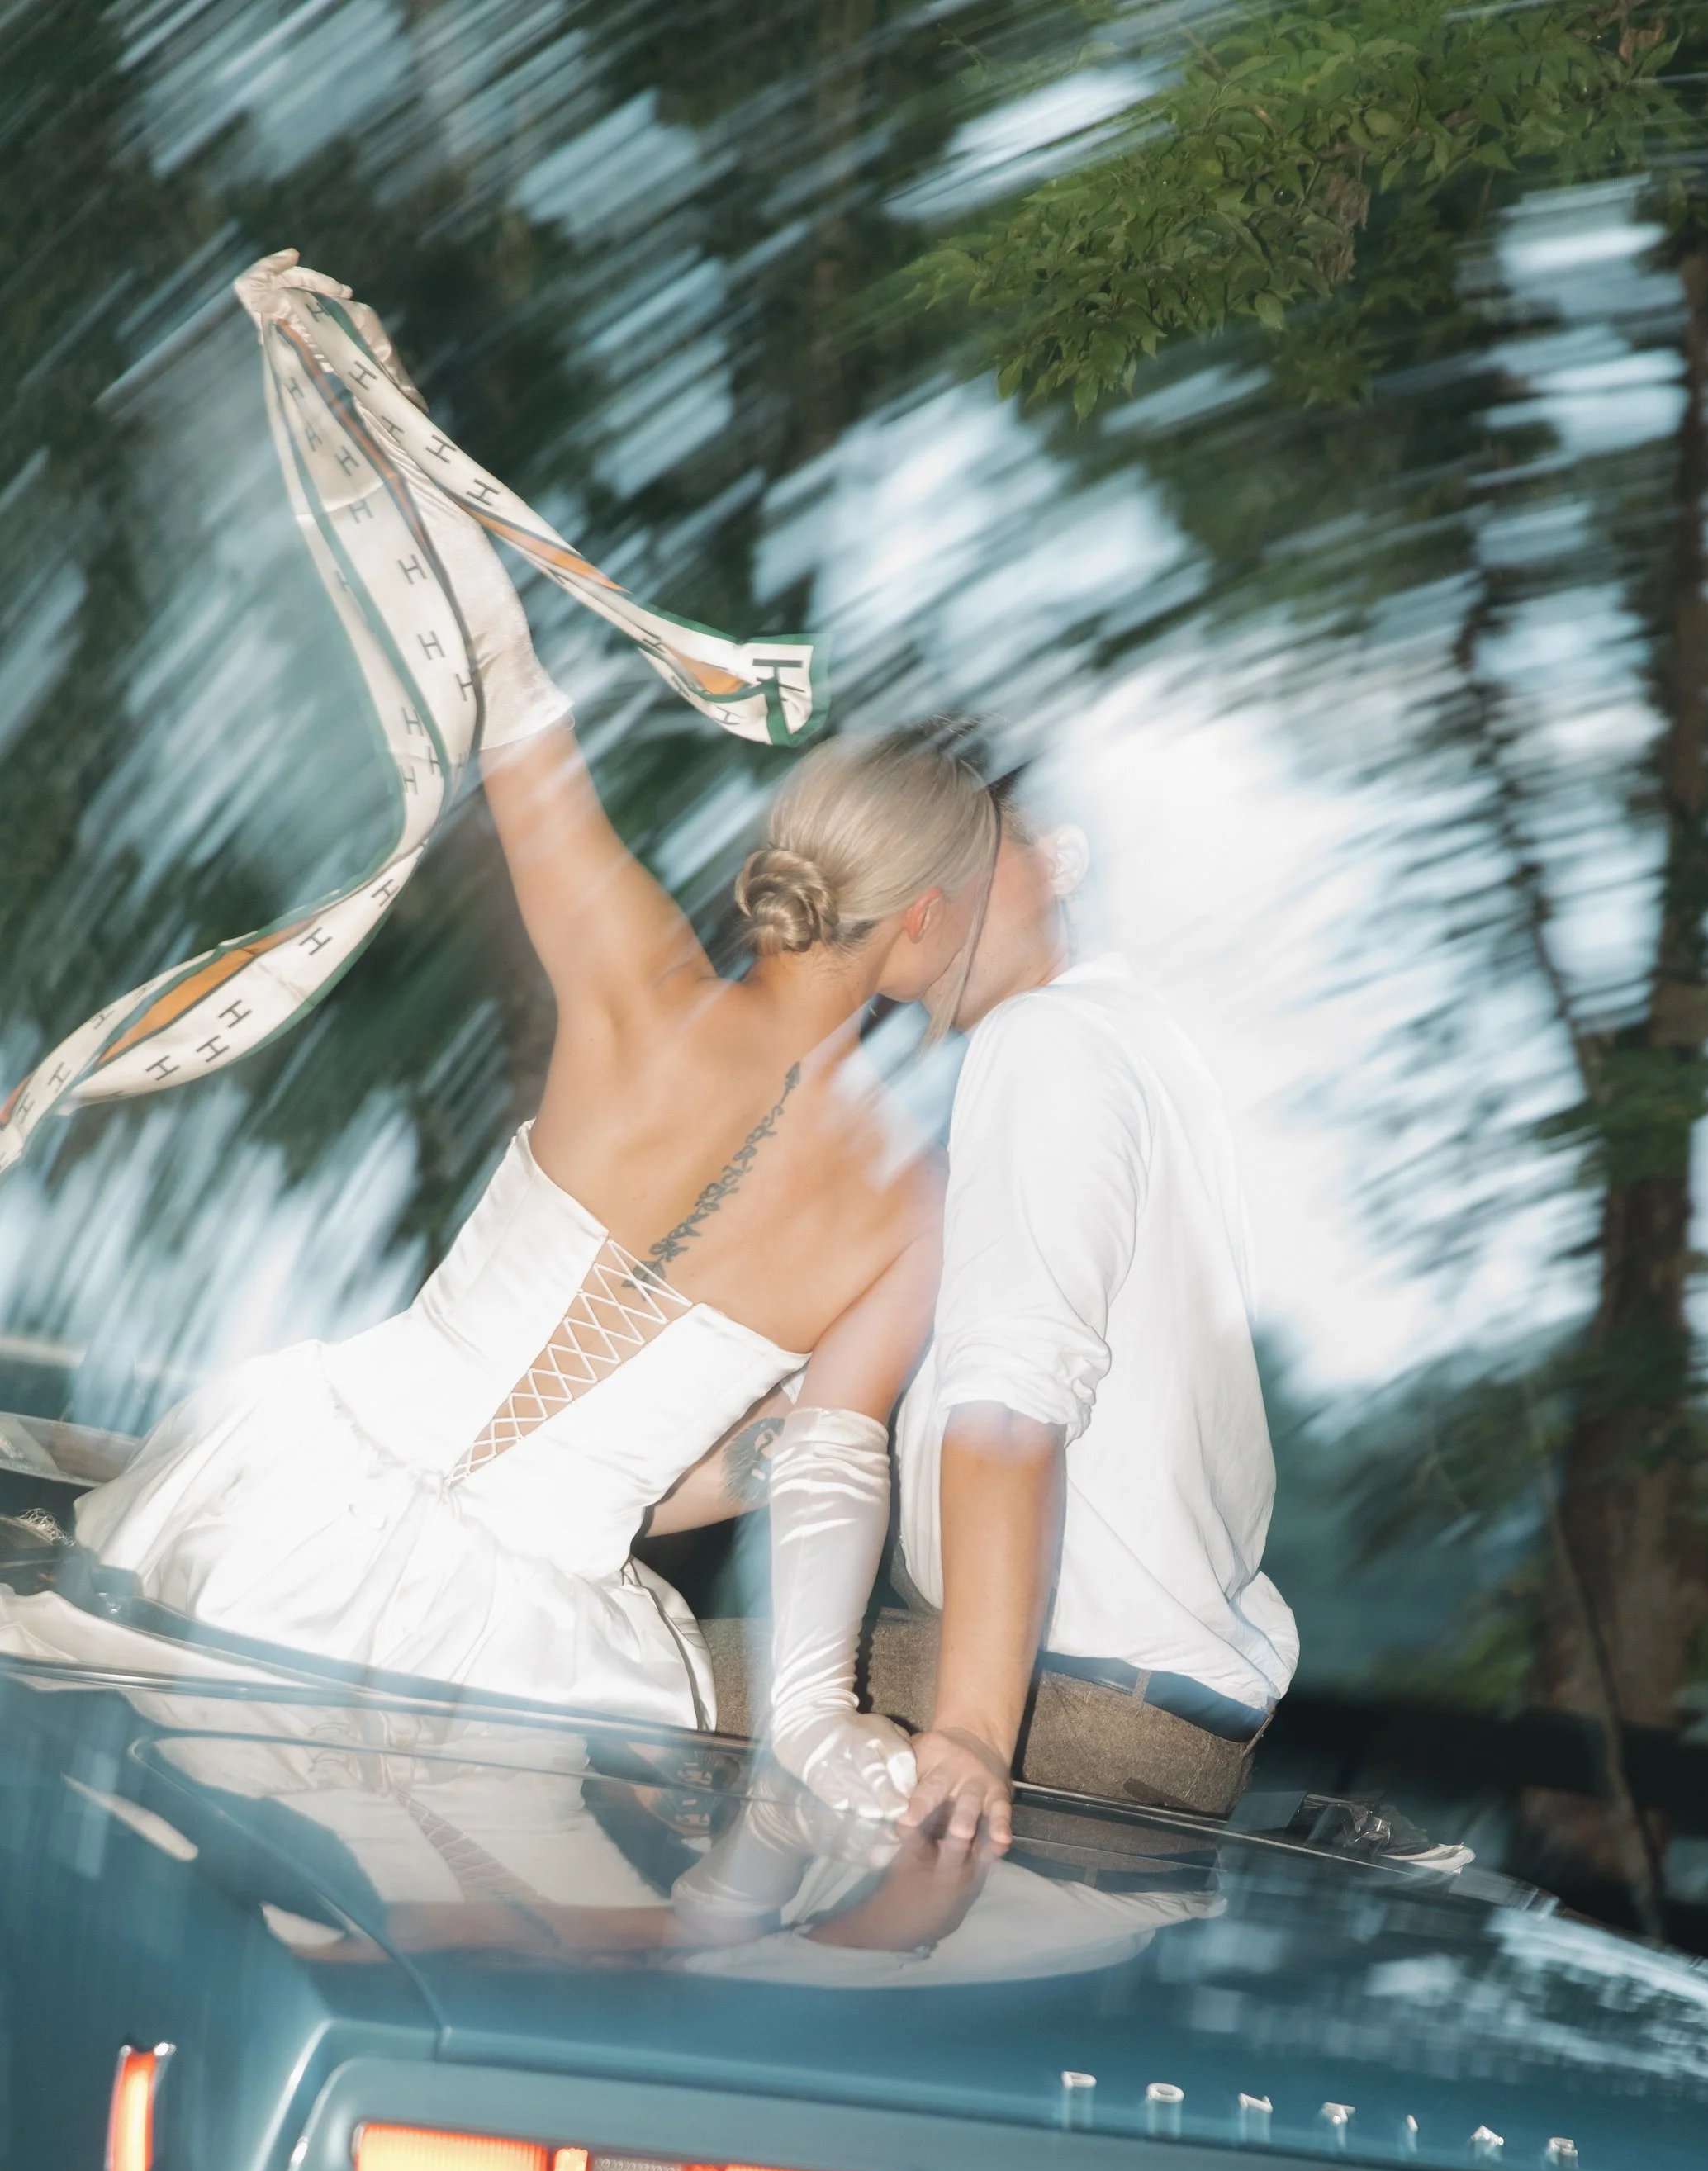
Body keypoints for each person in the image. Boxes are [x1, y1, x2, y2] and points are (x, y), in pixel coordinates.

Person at [4, 499, 1006, 1823]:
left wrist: (387, 456)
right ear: (925, 917)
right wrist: (818, 1722)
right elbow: (832, 1466)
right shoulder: (909, 1209)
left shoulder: (641, 986)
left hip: (285, 1497)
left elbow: (502, 686)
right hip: (522, 1646)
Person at [883, 798, 1298, 1849]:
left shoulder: (1047, 1037)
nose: (929, 902)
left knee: (620, 1704)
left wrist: (974, 1735)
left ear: (1057, 854)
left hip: (1058, 1716)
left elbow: (1014, 1406)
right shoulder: (1136, 1044)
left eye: (964, 849)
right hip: (1139, 1712)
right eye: (889, 882)